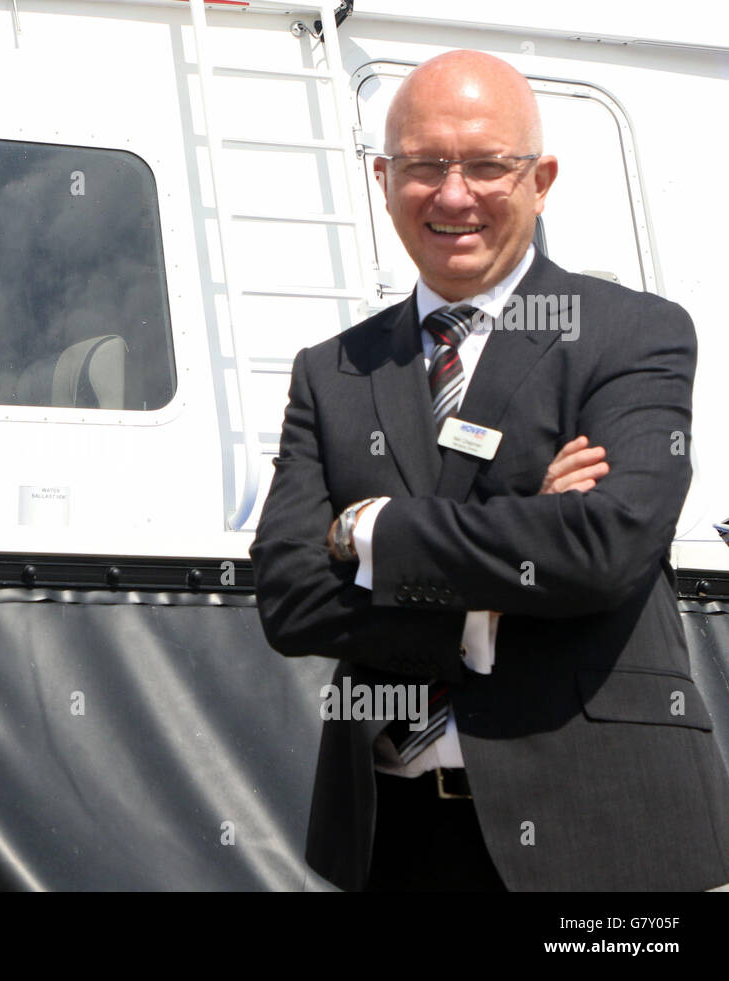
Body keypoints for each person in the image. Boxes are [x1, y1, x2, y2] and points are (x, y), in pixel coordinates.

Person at [250, 49, 729, 891]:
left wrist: (372, 532)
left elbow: (602, 546)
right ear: (383, 177)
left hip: (604, 833)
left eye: (486, 166)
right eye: (425, 166)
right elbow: (290, 595)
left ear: (540, 178)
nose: (454, 194)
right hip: (392, 835)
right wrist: (490, 592)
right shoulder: (331, 372)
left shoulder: (633, 334)